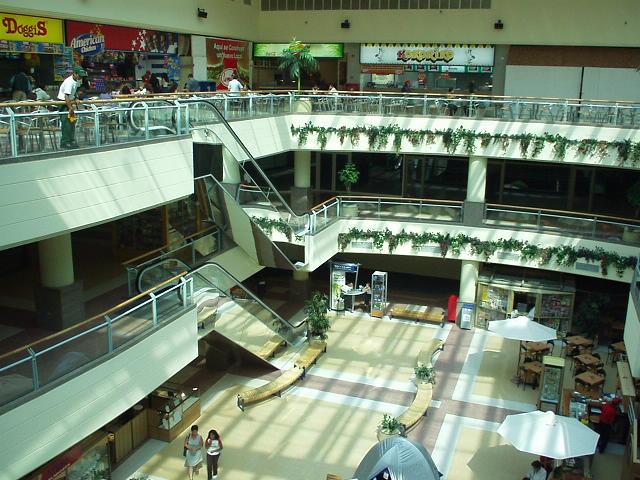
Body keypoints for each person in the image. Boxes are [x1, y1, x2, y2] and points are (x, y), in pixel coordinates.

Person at [57, 65, 87, 149]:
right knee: (66, 123)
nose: (81, 77)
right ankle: (65, 142)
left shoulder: (77, 80)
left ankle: (71, 140)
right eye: (80, 75)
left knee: (72, 122)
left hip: (70, 102)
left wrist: (76, 98)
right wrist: (70, 107)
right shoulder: (69, 82)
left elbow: (76, 91)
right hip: (64, 103)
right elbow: (66, 96)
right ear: (75, 73)